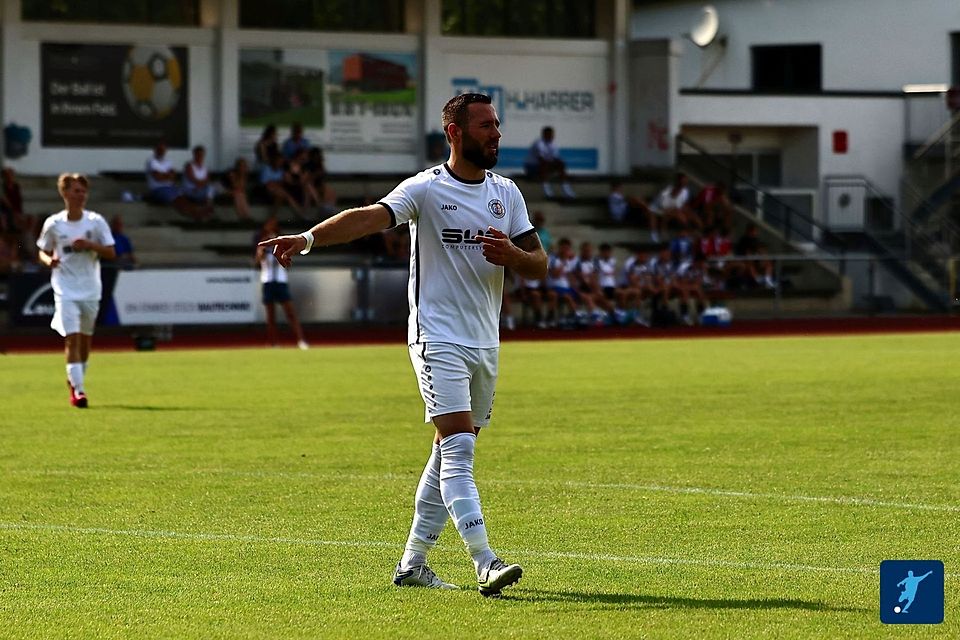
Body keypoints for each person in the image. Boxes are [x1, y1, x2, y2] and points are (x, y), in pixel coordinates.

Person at [259, 92, 545, 597]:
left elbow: (538, 263)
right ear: (454, 132)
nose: (496, 133)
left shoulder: (507, 193)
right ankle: (485, 561)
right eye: (485, 125)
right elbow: (368, 217)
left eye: (497, 124)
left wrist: (512, 257)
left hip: (485, 341)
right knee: (458, 447)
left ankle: (413, 563)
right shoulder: (427, 189)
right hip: (436, 336)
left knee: (449, 448)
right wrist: (306, 239)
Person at [36, 173, 116, 408]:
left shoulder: (95, 221)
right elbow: (42, 250)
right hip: (65, 289)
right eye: (76, 191)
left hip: (90, 289)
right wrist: (48, 260)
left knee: (84, 342)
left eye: (83, 191)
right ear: (65, 193)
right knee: (71, 339)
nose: (81, 195)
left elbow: (111, 252)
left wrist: (90, 245)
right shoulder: (54, 224)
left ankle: (75, 379)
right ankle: (79, 391)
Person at [255, 217, 308, 350]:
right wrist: (260, 254)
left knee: (290, 313)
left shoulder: (282, 241)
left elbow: (287, 259)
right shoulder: (262, 243)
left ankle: (301, 340)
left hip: (280, 280)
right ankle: (273, 343)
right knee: (271, 315)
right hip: (267, 280)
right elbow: (257, 262)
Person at [523, 126, 575, 199]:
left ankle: (566, 188)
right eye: (549, 134)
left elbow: (555, 158)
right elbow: (541, 159)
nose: (551, 136)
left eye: (552, 134)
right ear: (544, 134)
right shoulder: (538, 143)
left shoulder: (553, 144)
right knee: (544, 164)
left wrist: (559, 164)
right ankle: (546, 189)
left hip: (544, 166)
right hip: (532, 167)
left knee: (561, 164)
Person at [181, 145, 216, 216]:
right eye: (198, 154)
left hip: (199, 189)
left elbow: (207, 180)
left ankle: (207, 208)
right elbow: (193, 179)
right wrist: (201, 184)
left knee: (211, 188)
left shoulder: (205, 167)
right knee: (209, 190)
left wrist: (201, 185)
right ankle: (208, 210)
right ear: (194, 154)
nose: (200, 156)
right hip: (190, 190)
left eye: (202, 155)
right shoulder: (189, 165)